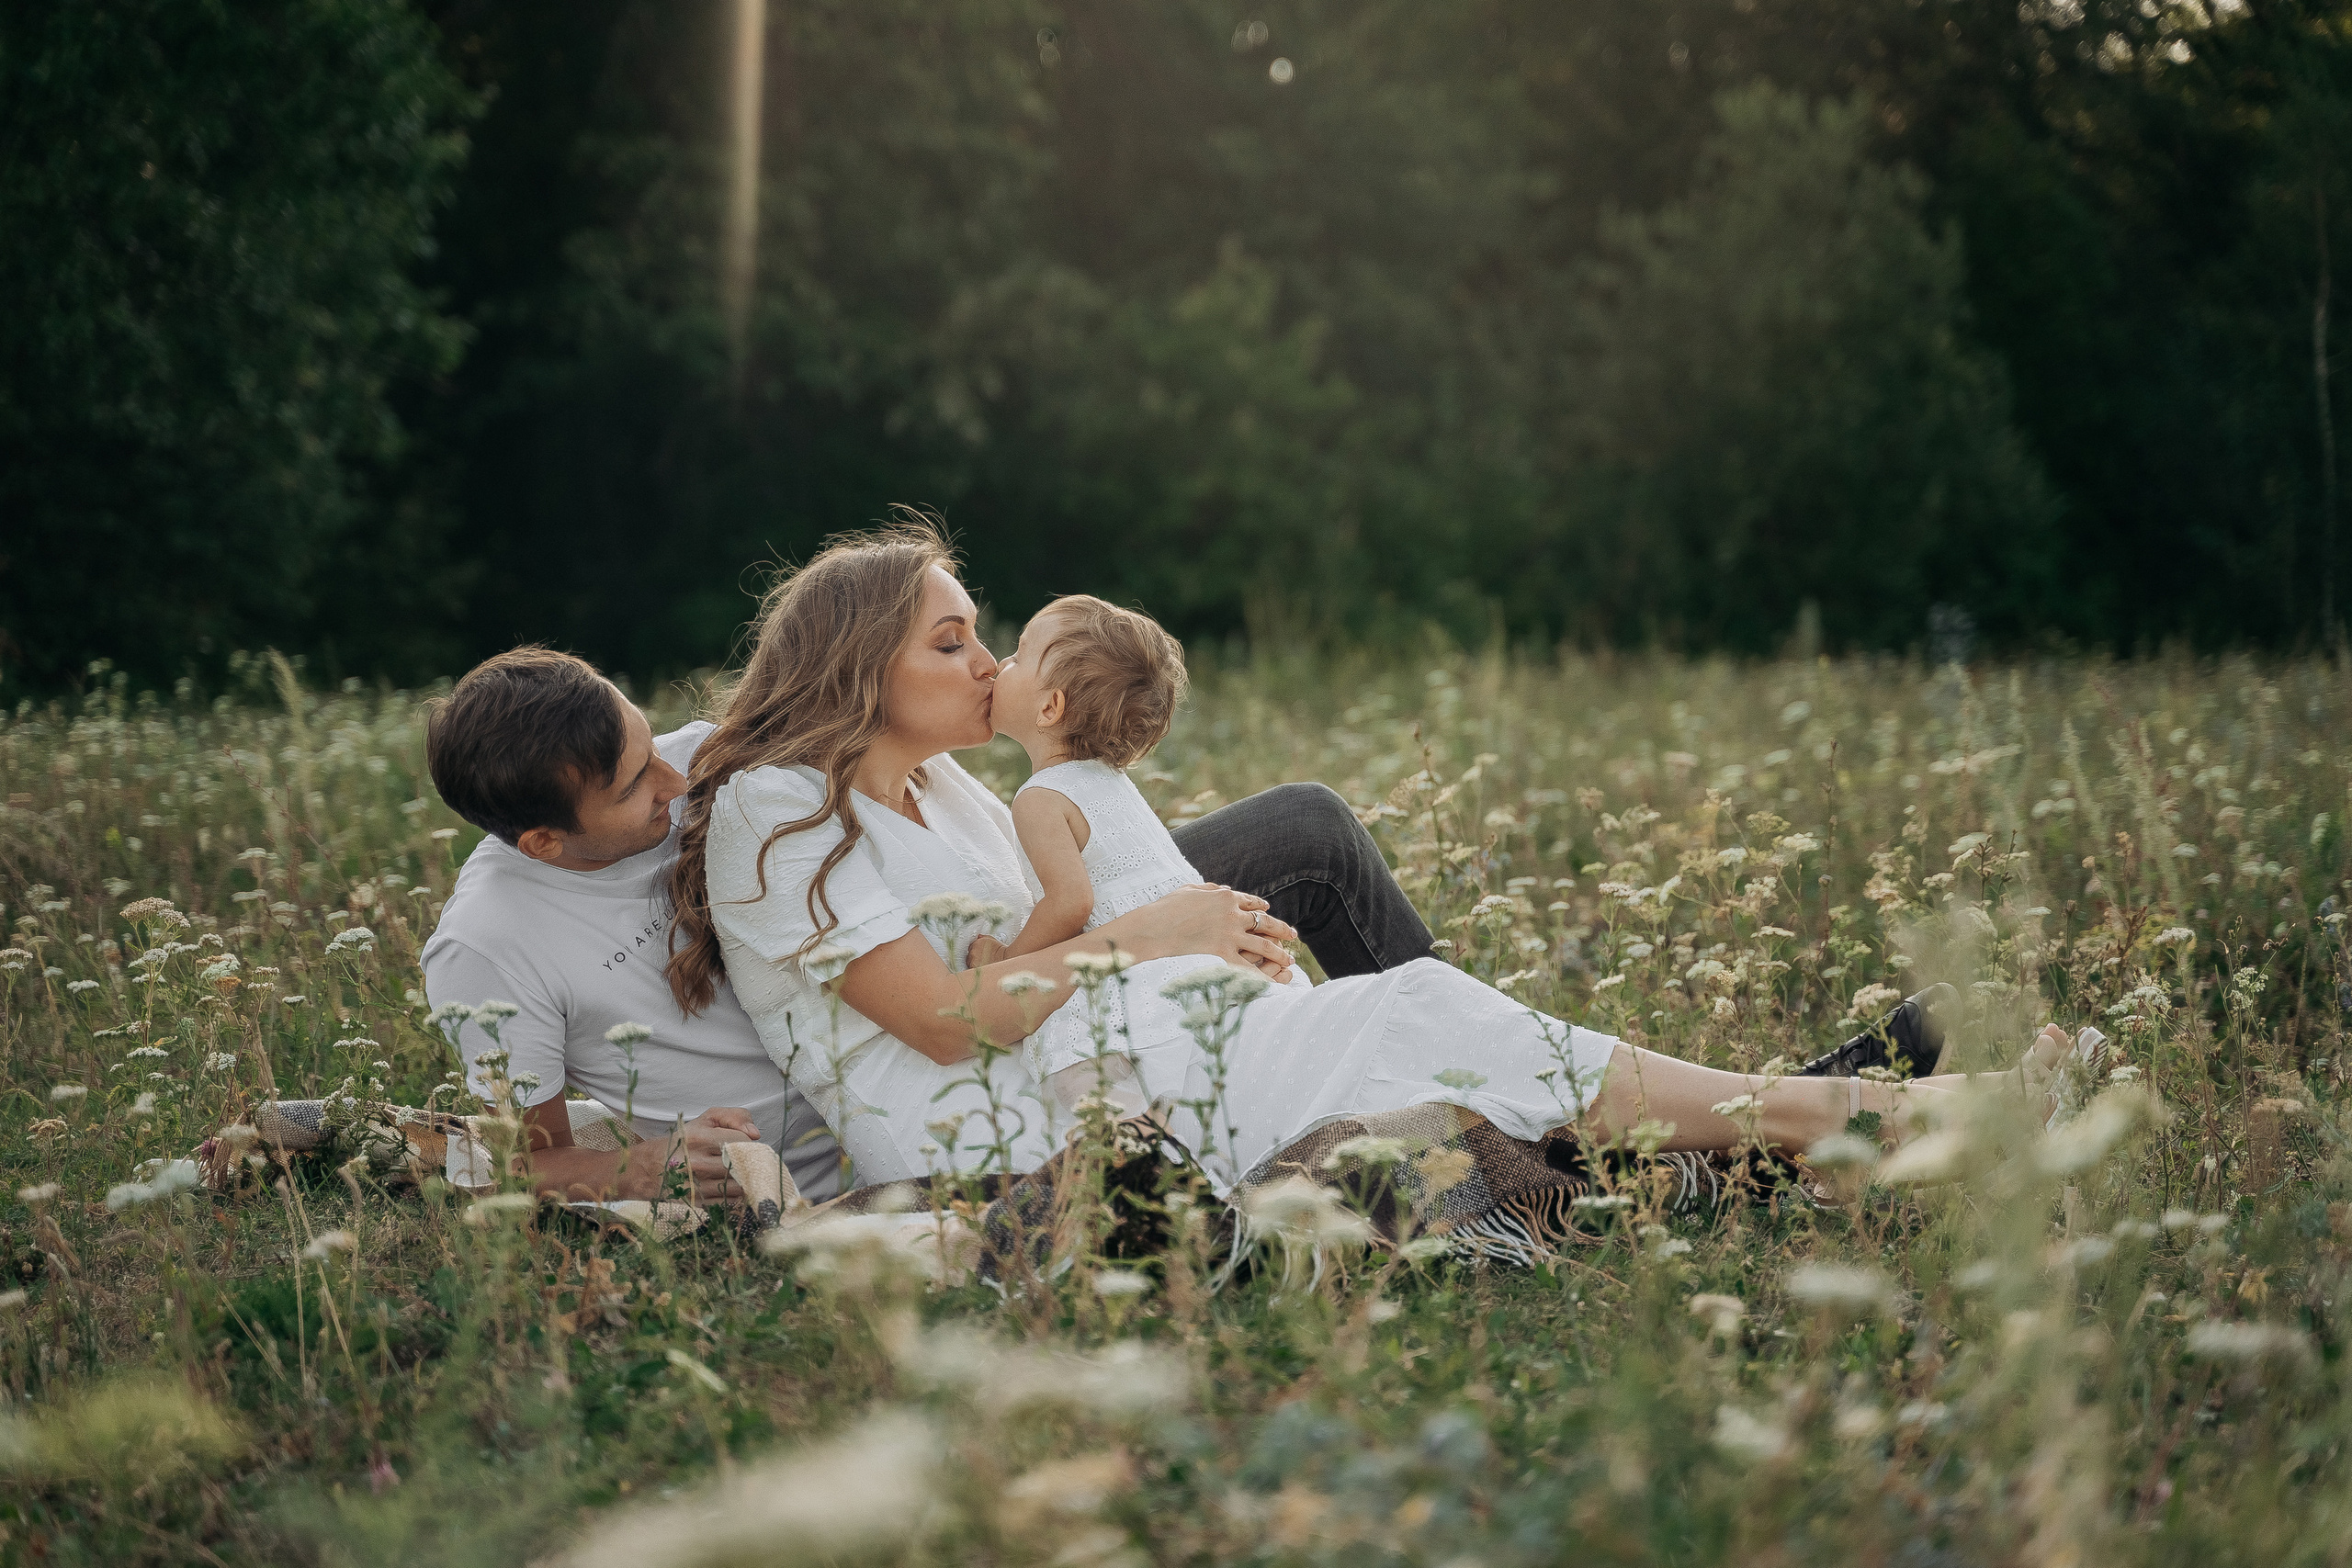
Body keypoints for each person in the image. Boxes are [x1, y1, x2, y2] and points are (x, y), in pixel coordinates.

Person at [666, 518, 2070, 1190]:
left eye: (983, 634)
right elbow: (944, 1019)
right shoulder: (776, 811)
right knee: (1420, 1023)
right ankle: (1852, 1114)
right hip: (1013, 1140)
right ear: (860, 664)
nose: (986, 662)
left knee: (1426, 1022)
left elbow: (1041, 938)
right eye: (953, 639)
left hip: (1116, 1057)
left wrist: (1188, 942)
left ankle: (1836, 1118)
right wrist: (1158, 937)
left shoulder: (945, 793)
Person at [417, 637, 1447, 1204]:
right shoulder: (488, 947)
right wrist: (639, 1163)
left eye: (654, 744)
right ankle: (1415, 1102)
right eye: (636, 785)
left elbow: (854, 692)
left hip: (995, 936)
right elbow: (528, 1155)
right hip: (907, 1081)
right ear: (542, 841)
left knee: (1303, 829)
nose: (677, 780)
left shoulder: (706, 759)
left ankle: (1443, 1059)